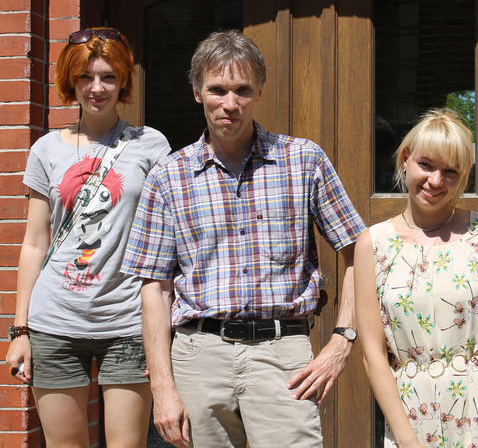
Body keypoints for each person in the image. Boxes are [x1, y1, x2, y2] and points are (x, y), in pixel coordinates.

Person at [121, 30, 365, 448]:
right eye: (217, 90)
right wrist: (162, 388)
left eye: (242, 90)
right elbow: (155, 289)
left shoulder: (302, 160)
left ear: (259, 91)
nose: (229, 104)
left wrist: (342, 341)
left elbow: (360, 250)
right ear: (197, 91)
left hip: (282, 352)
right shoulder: (169, 176)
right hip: (199, 356)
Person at [5, 27, 171, 446]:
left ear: (124, 82)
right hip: (54, 321)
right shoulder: (46, 149)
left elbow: (168, 235)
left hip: (128, 322)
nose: (97, 88)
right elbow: (35, 243)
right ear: (70, 81)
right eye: (85, 77)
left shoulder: (151, 145)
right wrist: (20, 331)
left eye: (108, 77)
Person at [354, 109, 478, 447]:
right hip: (413, 416)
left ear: (463, 177)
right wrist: (406, 438)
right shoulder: (373, 245)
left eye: (450, 171)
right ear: (405, 160)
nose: (436, 180)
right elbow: (373, 352)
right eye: (427, 165)